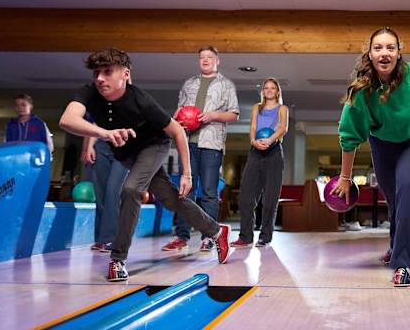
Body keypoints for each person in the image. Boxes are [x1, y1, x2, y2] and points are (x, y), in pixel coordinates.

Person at [59, 48, 230, 282]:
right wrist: (104, 133)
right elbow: (67, 120)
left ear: (125, 74)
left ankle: (117, 259)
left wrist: (187, 174)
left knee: (131, 189)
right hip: (127, 154)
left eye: (107, 72)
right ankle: (216, 230)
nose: (99, 78)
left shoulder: (140, 99)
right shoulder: (89, 92)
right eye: (96, 73)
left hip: (153, 147)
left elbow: (178, 131)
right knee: (170, 199)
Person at [333, 27, 410, 287]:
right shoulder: (362, 89)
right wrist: (345, 177)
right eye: (378, 48)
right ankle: (395, 245)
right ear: (370, 54)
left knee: (406, 189)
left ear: (399, 52)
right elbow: (349, 136)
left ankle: (403, 263)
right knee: (393, 200)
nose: (384, 53)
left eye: (390, 48)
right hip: (381, 145)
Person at [162, 46, 239, 252]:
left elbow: (234, 114)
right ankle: (181, 236)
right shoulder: (189, 84)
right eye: (201, 57)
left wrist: (213, 115)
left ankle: (209, 236)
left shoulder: (226, 85)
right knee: (185, 189)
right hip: (187, 143)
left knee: (209, 193)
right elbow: (179, 111)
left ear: (217, 60)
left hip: (212, 144)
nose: (205, 60)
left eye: (209, 57)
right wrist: (179, 119)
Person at [232, 78, 289, 248]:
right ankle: (245, 237)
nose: (269, 90)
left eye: (273, 88)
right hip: (255, 151)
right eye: (266, 88)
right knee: (246, 198)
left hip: (273, 152)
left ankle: (265, 237)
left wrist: (270, 140)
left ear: (277, 92)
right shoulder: (257, 107)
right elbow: (252, 127)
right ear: (263, 91)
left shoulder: (282, 108)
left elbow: (283, 128)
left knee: (270, 199)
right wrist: (253, 142)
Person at [81, 134, 129, 253]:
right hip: (101, 146)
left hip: (124, 147)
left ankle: (111, 239)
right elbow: (96, 124)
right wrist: (90, 146)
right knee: (100, 193)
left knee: (113, 191)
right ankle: (101, 239)